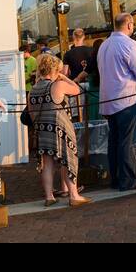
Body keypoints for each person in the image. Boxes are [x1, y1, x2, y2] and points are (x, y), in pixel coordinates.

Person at [95, 12, 136, 192]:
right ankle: (128, 180)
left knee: (115, 141)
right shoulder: (128, 44)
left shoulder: (104, 45)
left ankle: (117, 178)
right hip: (126, 99)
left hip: (109, 99)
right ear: (129, 25)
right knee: (127, 141)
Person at [26, 54, 90, 208]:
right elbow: (76, 89)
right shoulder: (57, 85)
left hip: (42, 129)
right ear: (55, 70)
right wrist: (64, 78)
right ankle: (74, 195)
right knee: (68, 160)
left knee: (47, 164)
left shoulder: (33, 90)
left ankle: (49, 196)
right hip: (60, 129)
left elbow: (31, 113)